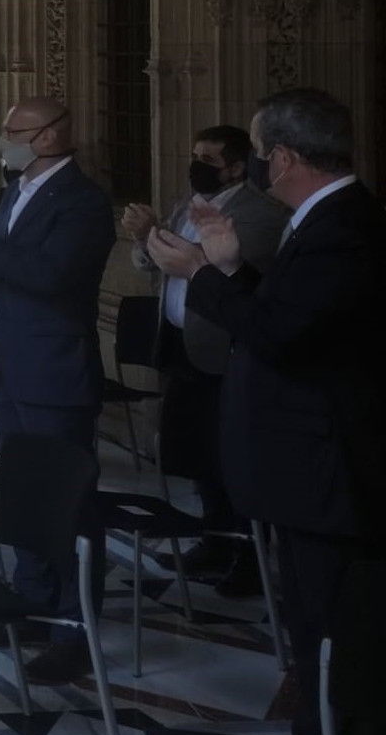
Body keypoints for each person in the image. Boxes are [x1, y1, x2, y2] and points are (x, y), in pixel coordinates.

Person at [147, 88, 386, 735]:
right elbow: (296, 312)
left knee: (333, 635)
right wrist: (233, 266)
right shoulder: (327, 221)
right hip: (313, 471)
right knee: (315, 625)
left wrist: (200, 273)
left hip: (329, 474)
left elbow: (281, 334)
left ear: (283, 156)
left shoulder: (344, 226)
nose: (257, 167)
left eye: (257, 154)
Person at [0, 96, 114, 683]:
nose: (5, 139)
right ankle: (32, 601)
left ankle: (76, 623)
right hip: (11, 364)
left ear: (51, 136)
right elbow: (4, 266)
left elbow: (49, 275)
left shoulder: (83, 203)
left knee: (67, 504)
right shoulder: (16, 192)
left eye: (15, 131)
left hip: (54, 370)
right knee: (21, 493)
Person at [121, 124, 285, 595]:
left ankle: (248, 557)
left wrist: (167, 240)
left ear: (236, 166)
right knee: (198, 455)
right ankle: (213, 538)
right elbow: (152, 262)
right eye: (195, 155)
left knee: (234, 459)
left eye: (208, 160)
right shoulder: (187, 205)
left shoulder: (256, 214)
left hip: (226, 352)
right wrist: (149, 235)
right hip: (182, 344)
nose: (196, 166)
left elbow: (229, 271)